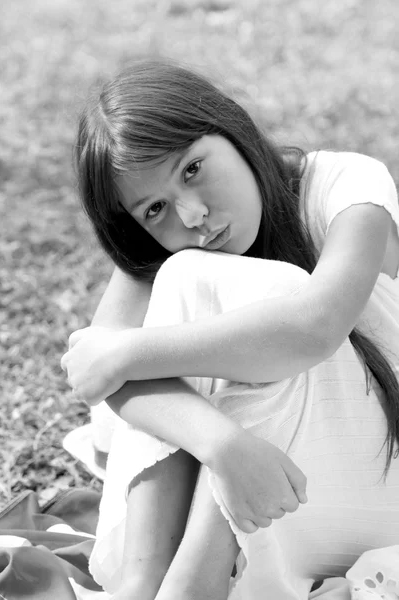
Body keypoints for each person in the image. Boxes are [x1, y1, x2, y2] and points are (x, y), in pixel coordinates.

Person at [61, 59, 399, 599]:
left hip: (381, 475)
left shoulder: (349, 184)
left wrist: (132, 354)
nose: (191, 215)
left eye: (192, 169)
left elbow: (314, 328)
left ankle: (189, 587)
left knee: (264, 297)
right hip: (271, 501)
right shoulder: (165, 256)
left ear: (230, 129)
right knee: (186, 276)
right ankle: (143, 583)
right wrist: (221, 444)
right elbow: (98, 374)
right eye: (155, 208)